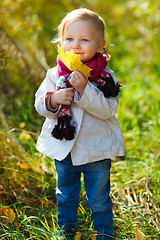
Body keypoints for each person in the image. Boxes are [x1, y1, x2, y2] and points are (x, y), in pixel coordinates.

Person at [34, 8, 125, 240]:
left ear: (100, 44)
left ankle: (104, 233)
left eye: (84, 39)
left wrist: (85, 90)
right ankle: (66, 230)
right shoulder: (55, 75)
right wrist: (53, 99)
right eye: (70, 39)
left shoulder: (106, 77)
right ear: (61, 42)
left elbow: (108, 110)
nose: (76, 45)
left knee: (99, 198)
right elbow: (39, 105)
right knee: (65, 194)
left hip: (96, 150)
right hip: (65, 150)